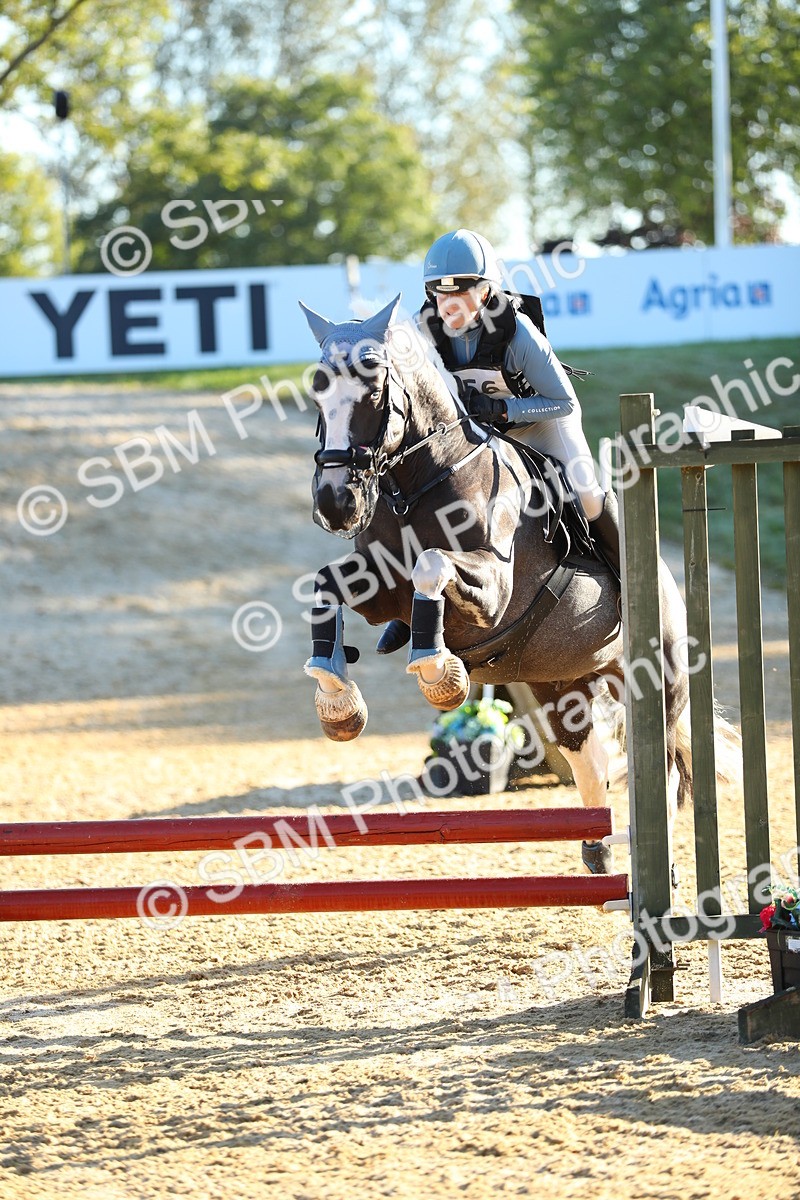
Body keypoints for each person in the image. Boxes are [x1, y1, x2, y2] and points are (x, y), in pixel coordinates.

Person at [376, 227, 620, 657]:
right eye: (436, 292)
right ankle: (405, 610)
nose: (446, 304)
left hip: (541, 422)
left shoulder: (517, 333)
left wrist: (508, 411)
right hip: (482, 432)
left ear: (487, 290)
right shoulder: (423, 328)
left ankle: (630, 581)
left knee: (587, 492)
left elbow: (563, 402)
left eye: (460, 292)